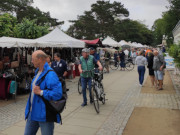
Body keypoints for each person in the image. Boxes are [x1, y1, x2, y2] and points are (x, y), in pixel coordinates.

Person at [24, 50, 62, 135]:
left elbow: (57, 94)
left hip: (44, 115)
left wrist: (41, 92)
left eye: (33, 59)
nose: (31, 61)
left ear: (40, 59)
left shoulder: (50, 74)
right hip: (32, 112)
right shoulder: (38, 72)